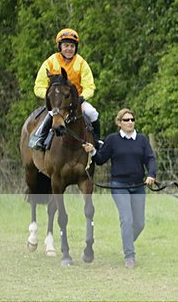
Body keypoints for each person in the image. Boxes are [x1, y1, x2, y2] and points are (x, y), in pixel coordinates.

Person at [83, 109, 156, 269]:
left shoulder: (142, 140)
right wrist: (93, 151)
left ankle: (127, 240)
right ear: (119, 123)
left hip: (138, 186)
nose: (130, 122)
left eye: (132, 119)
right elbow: (101, 159)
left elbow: (150, 159)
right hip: (119, 185)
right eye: (126, 120)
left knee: (139, 223)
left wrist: (151, 174)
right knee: (127, 219)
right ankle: (129, 256)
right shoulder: (113, 140)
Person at [29, 28, 101, 150]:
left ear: (75, 48)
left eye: (72, 46)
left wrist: (82, 97)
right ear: (60, 47)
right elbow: (38, 86)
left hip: (76, 100)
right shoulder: (50, 62)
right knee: (52, 113)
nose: (69, 49)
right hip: (57, 102)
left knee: (92, 113)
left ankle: (97, 141)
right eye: (66, 45)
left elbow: (89, 86)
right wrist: (50, 97)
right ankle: (39, 139)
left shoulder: (81, 63)